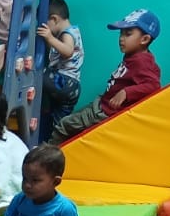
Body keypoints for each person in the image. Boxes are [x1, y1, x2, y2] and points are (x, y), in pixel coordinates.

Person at [48, 10, 161, 141]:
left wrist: (126, 92)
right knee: (71, 129)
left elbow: (154, 85)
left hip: (105, 113)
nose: (121, 38)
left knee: (63, 127)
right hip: (102, 105)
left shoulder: (143, 61)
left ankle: (45, 153)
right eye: (121, 33)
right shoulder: (134, 56)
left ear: (145, 39)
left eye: (128, 34)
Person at [36, 0, 85, 139]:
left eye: (45, 24)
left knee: (38, 73)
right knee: (57, 124)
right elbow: (56, 52)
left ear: (54, 19)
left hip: (66, 82)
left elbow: (68, 51)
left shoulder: (67, 34)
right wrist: (49, 41)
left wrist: (49, 37)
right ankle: (55, 142)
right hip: (72, 88)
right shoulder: (73, 31)